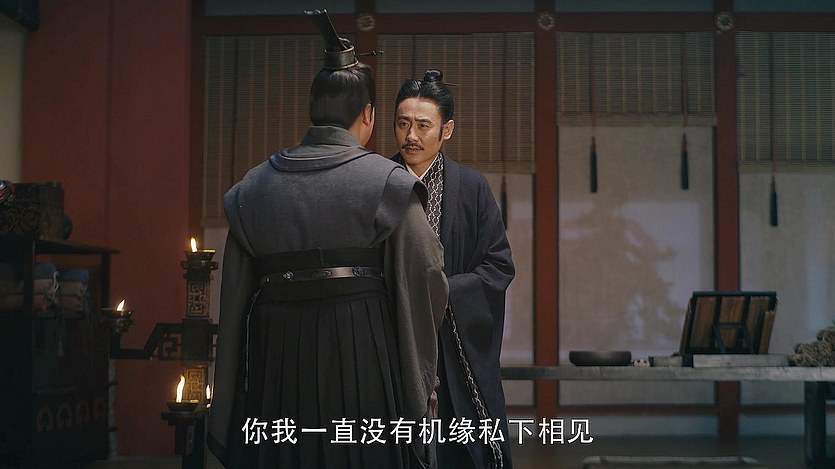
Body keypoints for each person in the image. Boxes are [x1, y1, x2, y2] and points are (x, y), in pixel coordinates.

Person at [207, 11, 448, 469]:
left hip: (276, 356)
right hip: (362, 350)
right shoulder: (388, 183)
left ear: (314, 110)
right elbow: (426, 274)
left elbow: (234, 295)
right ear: (367, 116)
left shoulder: (251, 189)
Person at [392, 70, 515, 469]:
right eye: (403, 124)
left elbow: (498, 265)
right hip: (394, 337)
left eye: (423, 125)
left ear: (446, 130)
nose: (411, 135)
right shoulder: (377, 184)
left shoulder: (472, 187)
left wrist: (442, 290)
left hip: (454, 343)